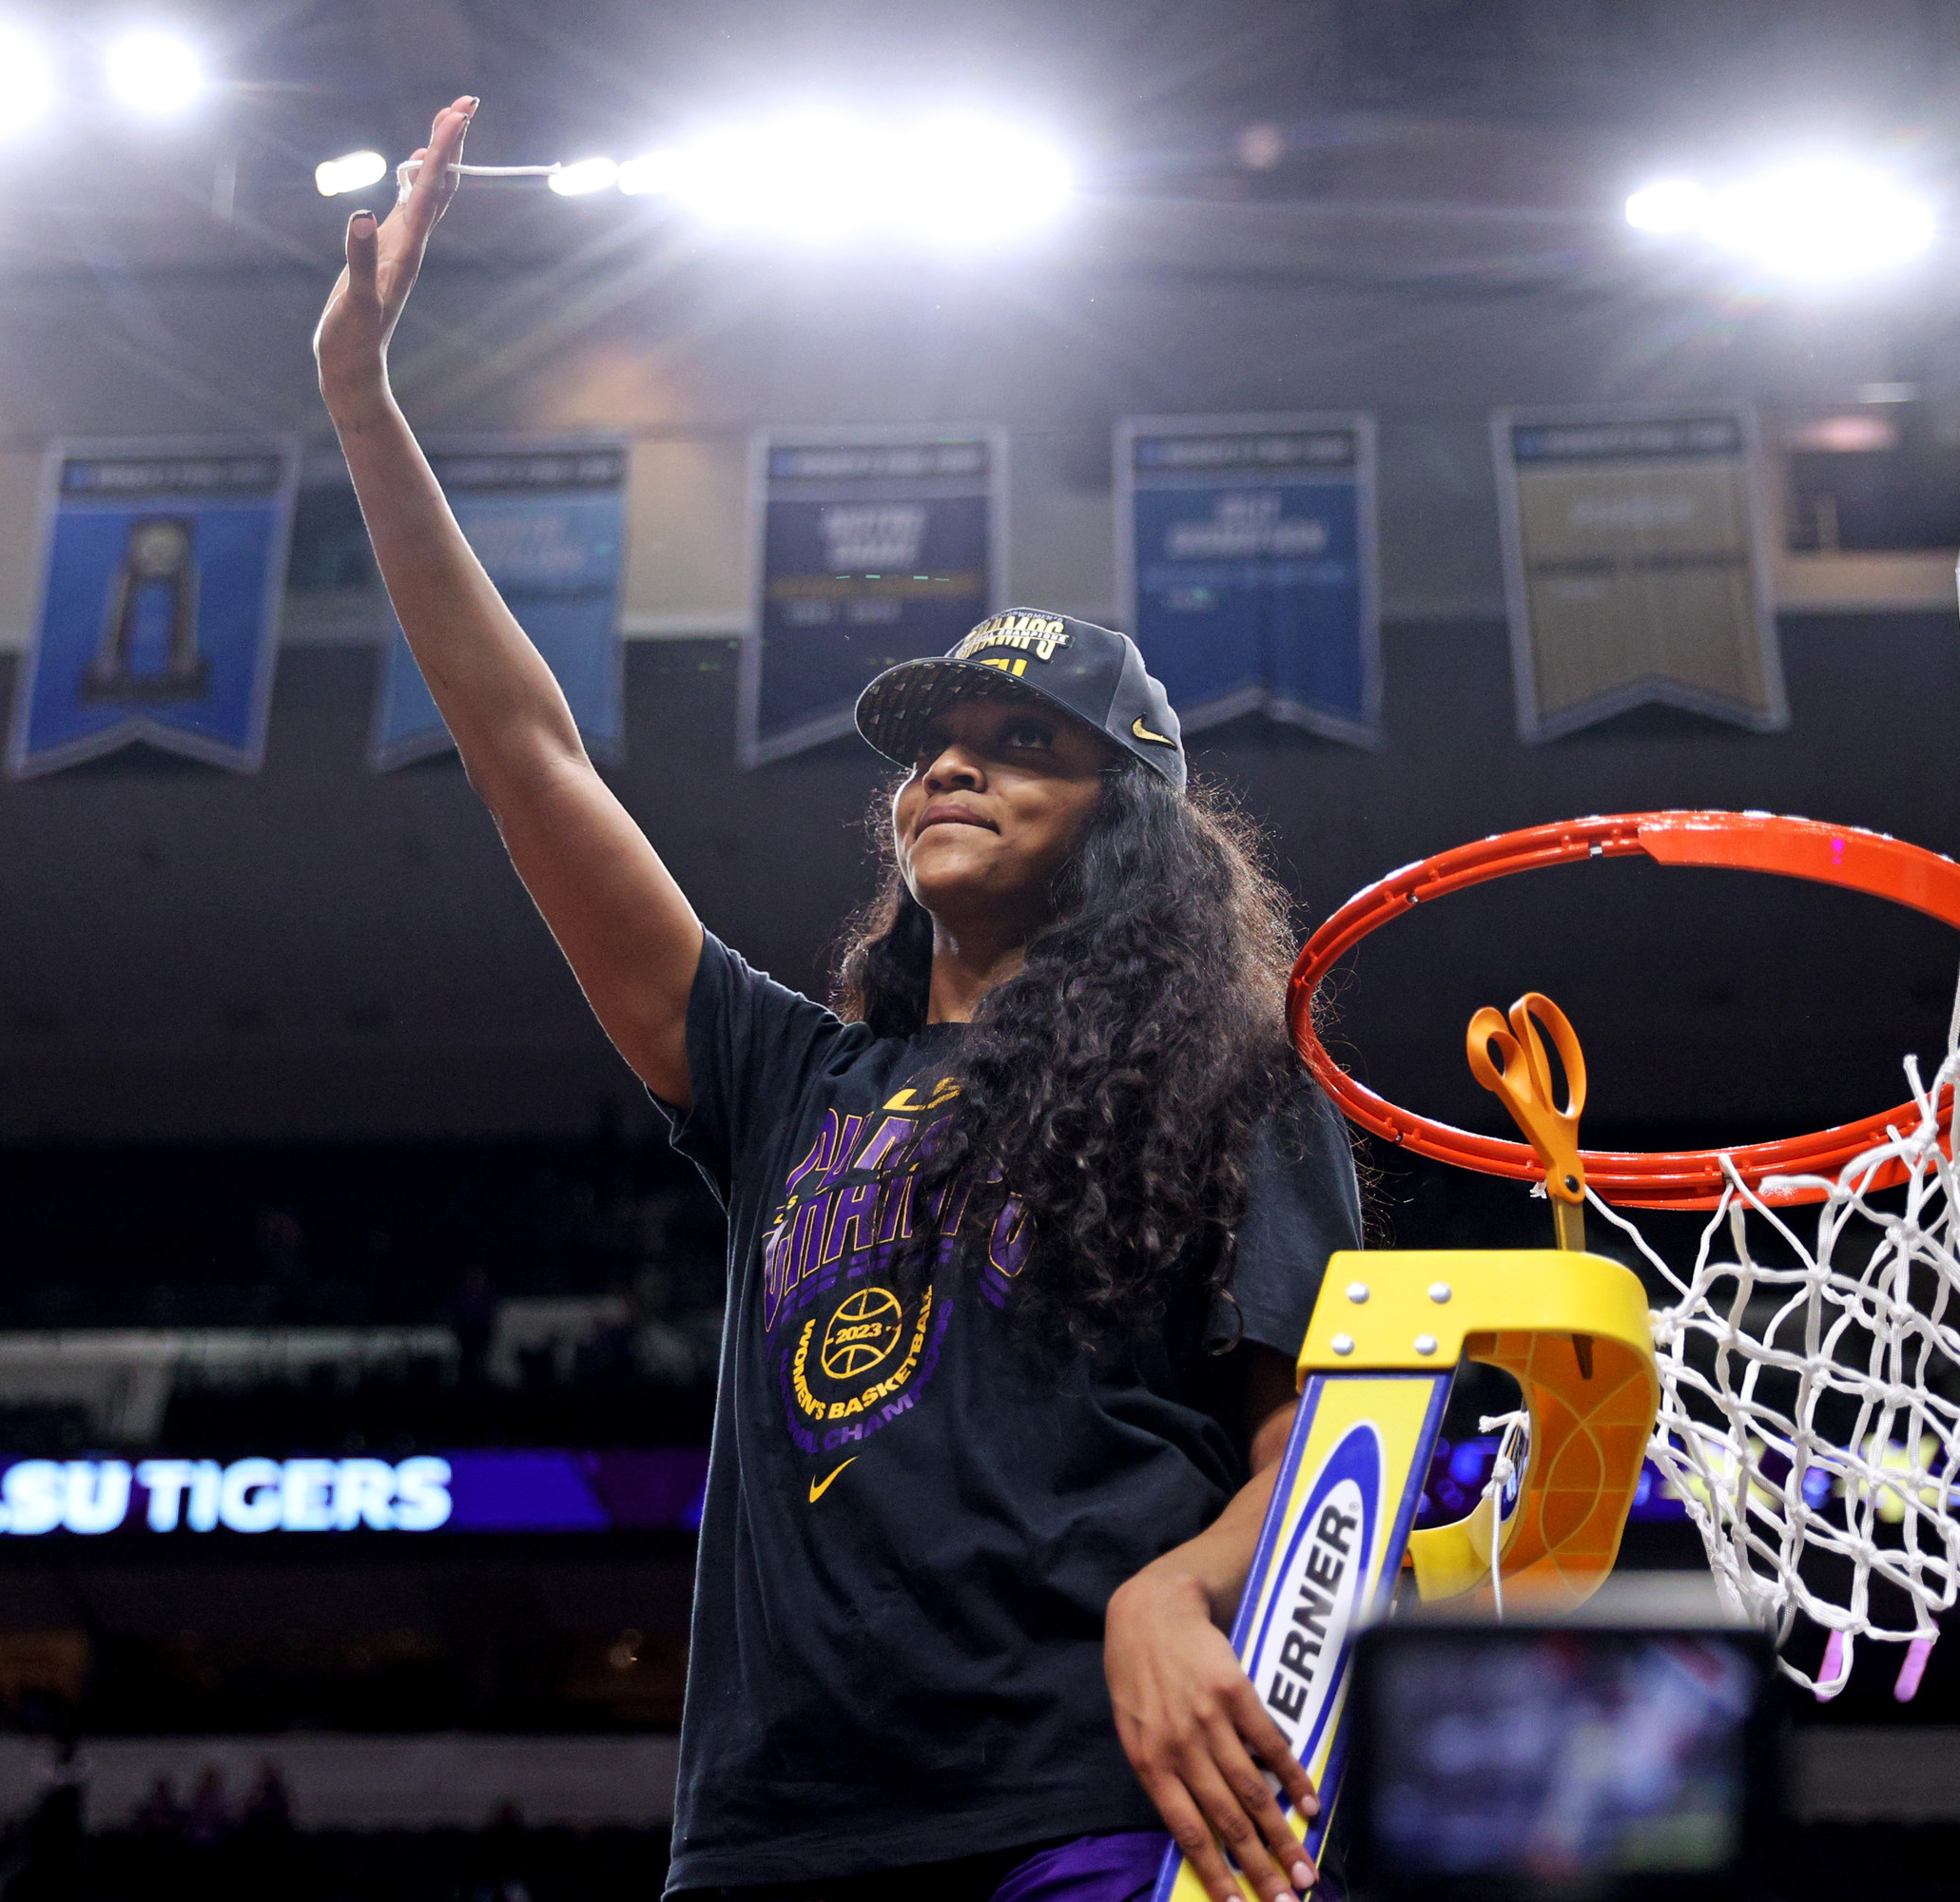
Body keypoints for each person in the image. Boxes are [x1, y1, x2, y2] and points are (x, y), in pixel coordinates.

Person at [316, 97, 1359, 1902]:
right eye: (937, 744)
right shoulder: (787, 1078)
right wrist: (363, 404)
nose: (955, 767)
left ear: (1132, 823)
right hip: (776, 1835)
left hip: (1093, 1801)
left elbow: (1322, 1447)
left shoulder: (1239, 1085)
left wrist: (1183, 1586)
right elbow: (528, 756)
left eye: (1023, 743)